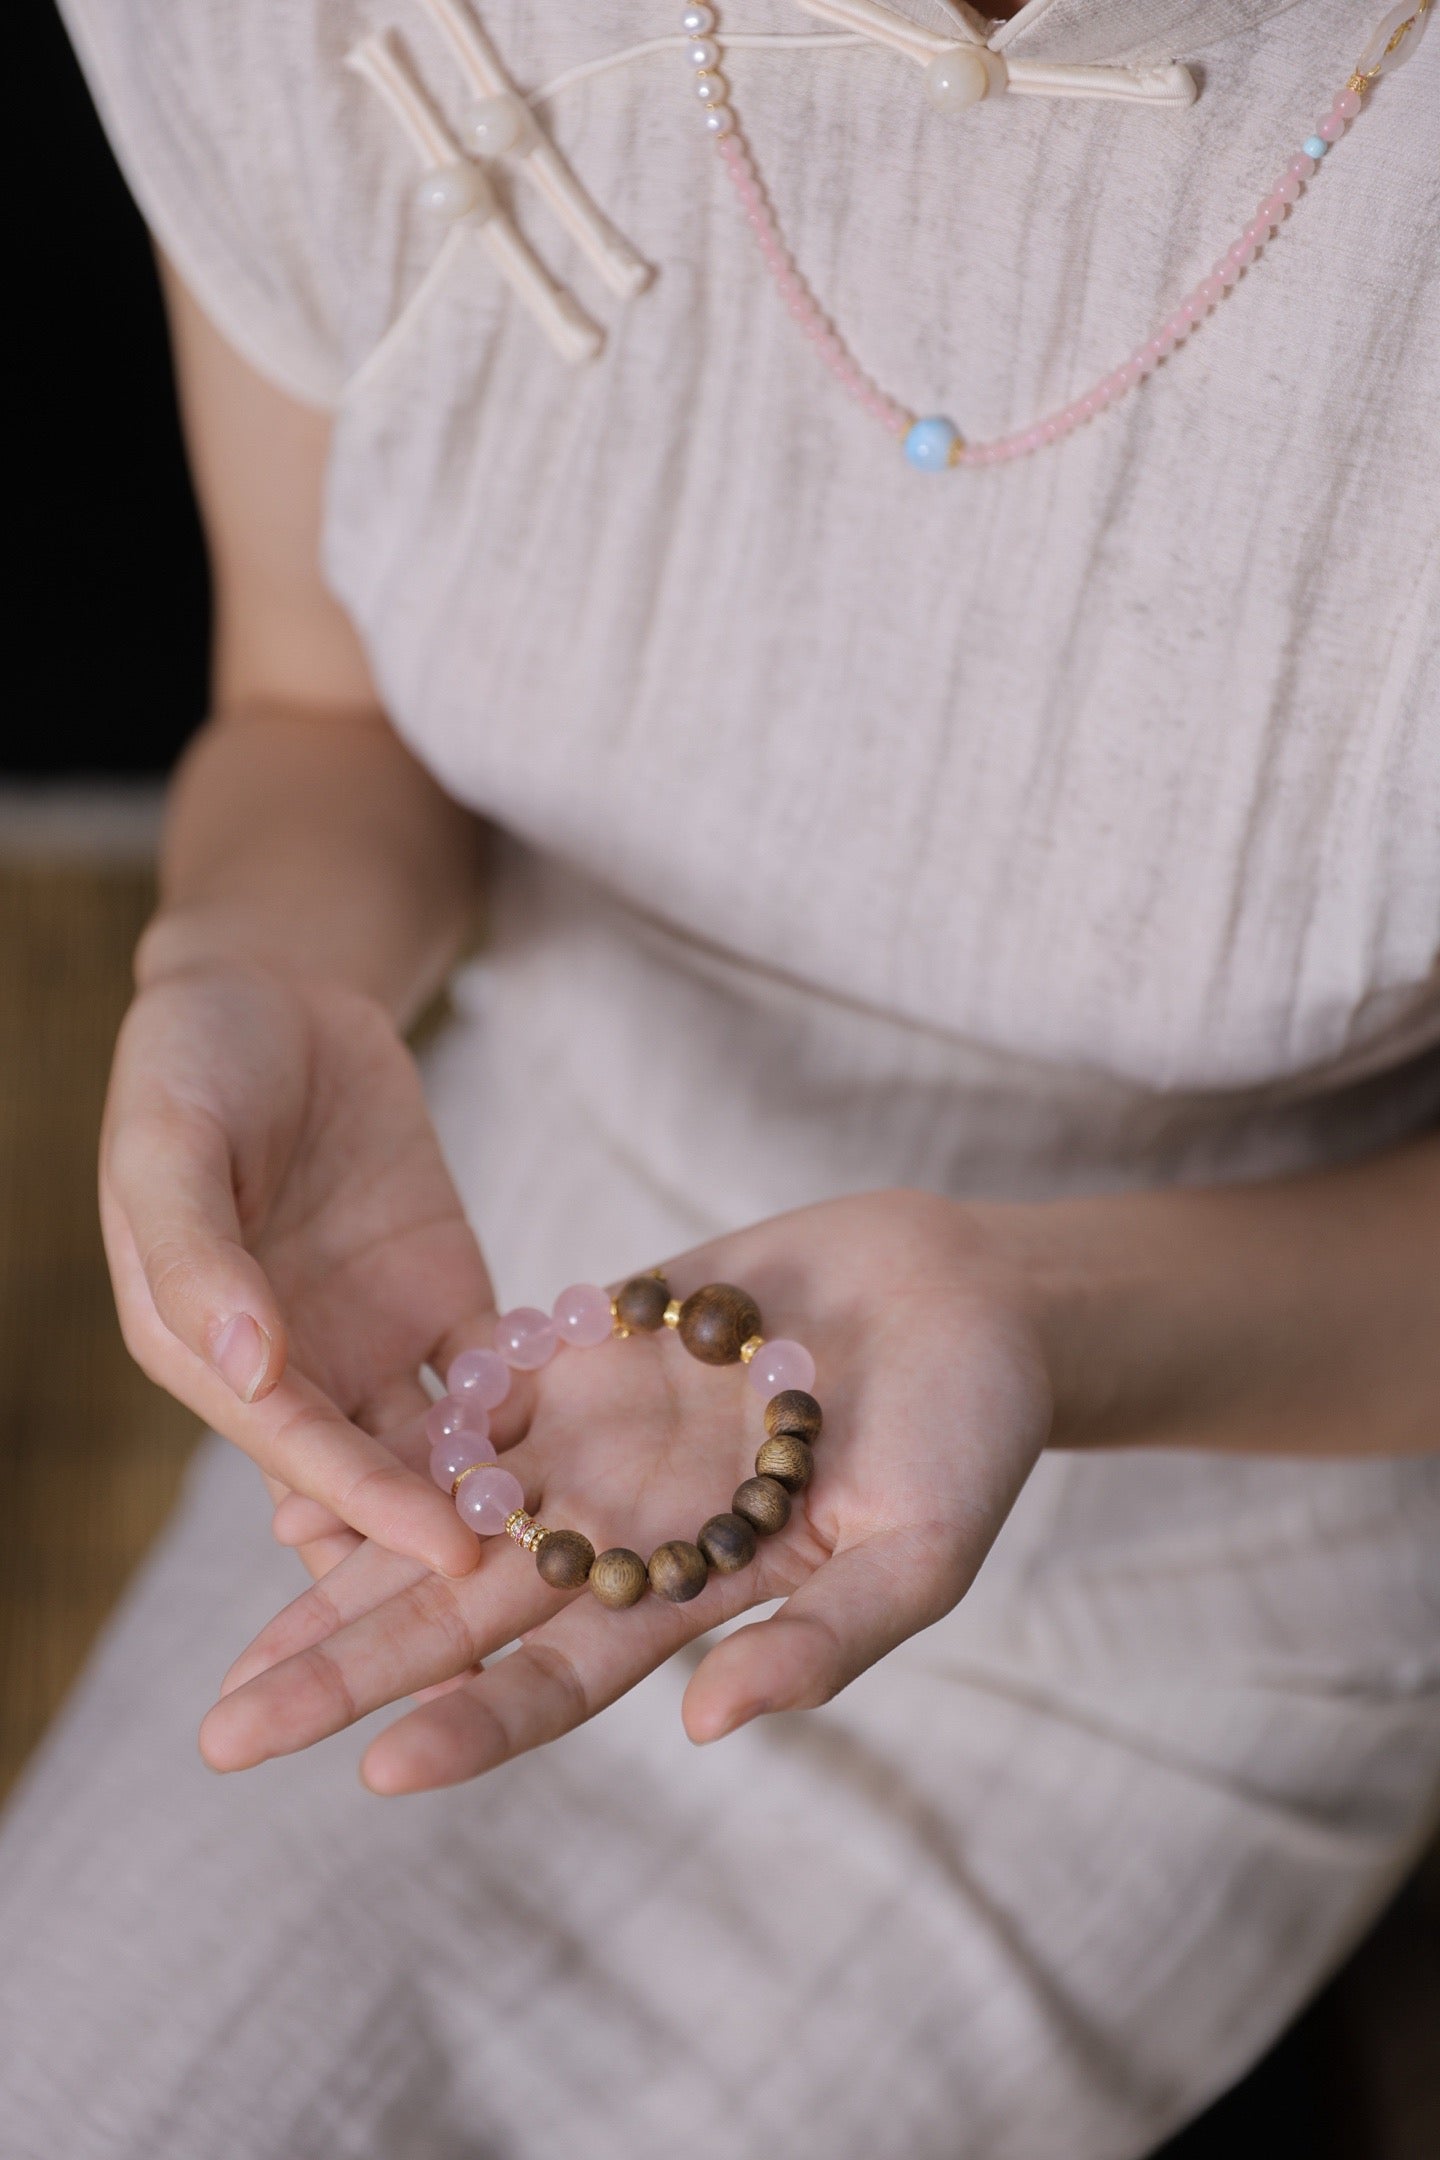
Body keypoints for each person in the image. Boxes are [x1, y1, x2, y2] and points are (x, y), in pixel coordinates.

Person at [1, 1, 1437, 2154]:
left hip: (1227, 1525)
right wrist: (254, 967)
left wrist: (1039, 1316)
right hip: (482, 1378)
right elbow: (317, 712)